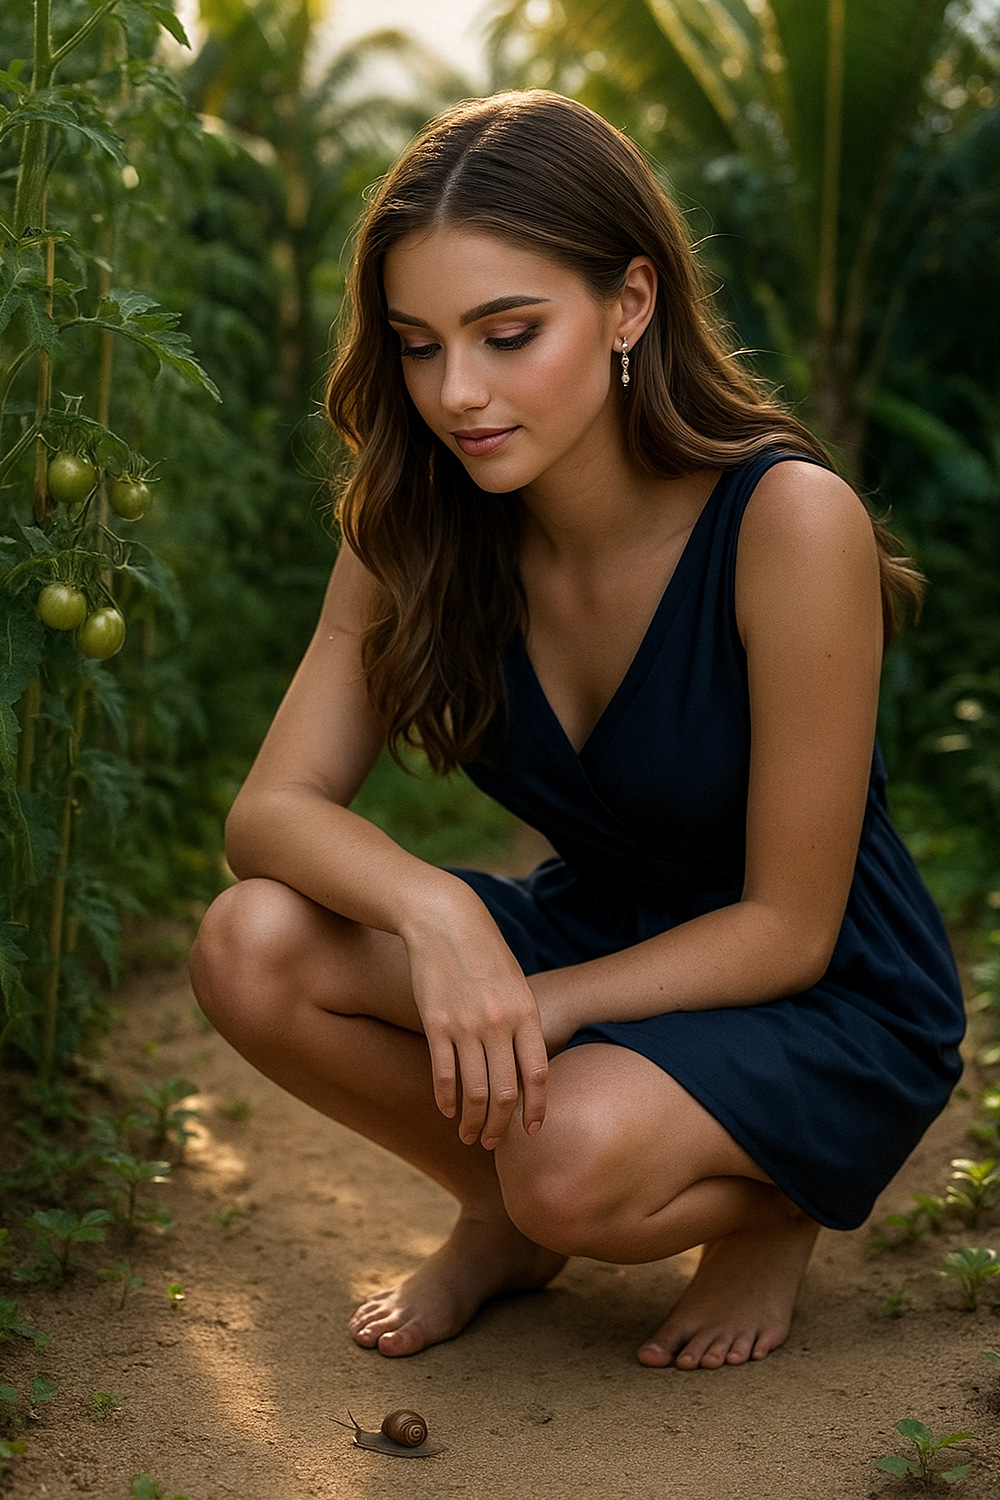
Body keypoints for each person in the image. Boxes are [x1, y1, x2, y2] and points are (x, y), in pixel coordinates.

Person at [188, 90, 965, 1371]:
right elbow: (268, 816)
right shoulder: (413, 523)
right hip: (603, 925)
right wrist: (440, 918)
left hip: (818, 989)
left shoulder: (785, 522)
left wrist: (538, 1003)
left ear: (631, 303)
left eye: (507, 333)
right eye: (418, 345)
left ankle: (774, 1205)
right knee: (250, 943)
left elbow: (789, 925)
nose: (457, 392)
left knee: (568, 1160)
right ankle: (499, 1214)